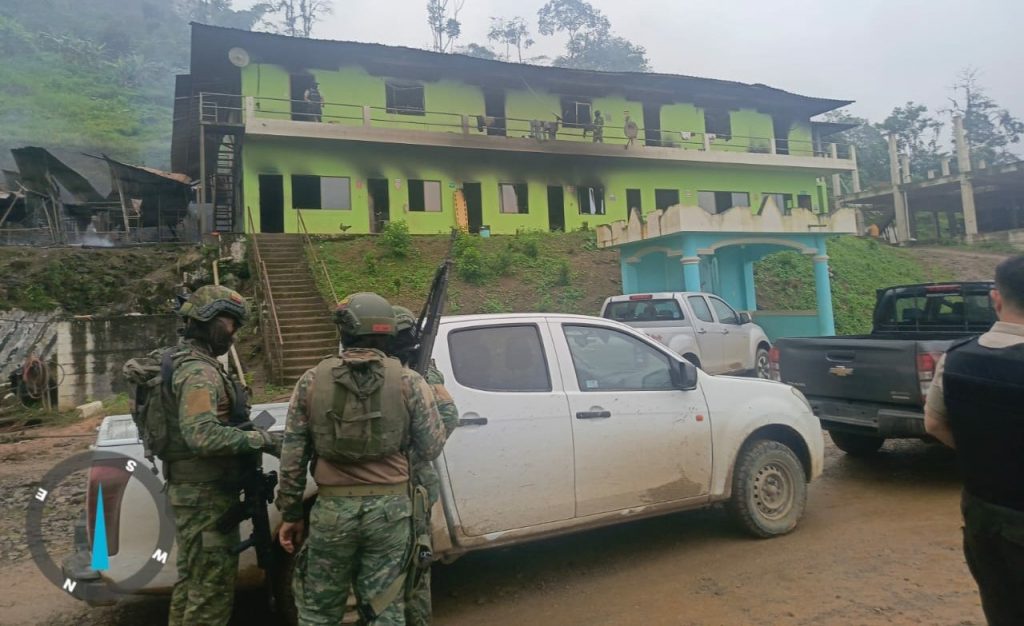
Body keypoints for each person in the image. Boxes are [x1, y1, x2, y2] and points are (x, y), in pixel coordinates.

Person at [276, 292, 448, 625]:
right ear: (387, 332)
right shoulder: (410, 381)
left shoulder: (311, 381)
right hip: (391, 514)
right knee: (385, 607)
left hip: (332, 512)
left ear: (344, 332)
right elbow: (431, 447)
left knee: (318, 610)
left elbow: (293, 455)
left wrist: (292, 513)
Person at [164, 285, 281, 626]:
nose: (233, 333)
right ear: (210, 320)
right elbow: (202, 436)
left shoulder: (193, 363)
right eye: (231, 324)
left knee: (192, 585)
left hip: (199, 497)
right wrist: (263, 440)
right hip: (205, 498)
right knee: (210, 597)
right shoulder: (198, 372)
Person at [925, 254, 1024, 625]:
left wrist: (984, 453)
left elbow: (934, 424)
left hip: (982, 513)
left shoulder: (956, 358)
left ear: (996, 298)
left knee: (1001, 608)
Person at [388, 305, 459, 626]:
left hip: (370, 494)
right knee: (416, 572)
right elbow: (448, 417)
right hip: (411, 489)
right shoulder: (416, 378)